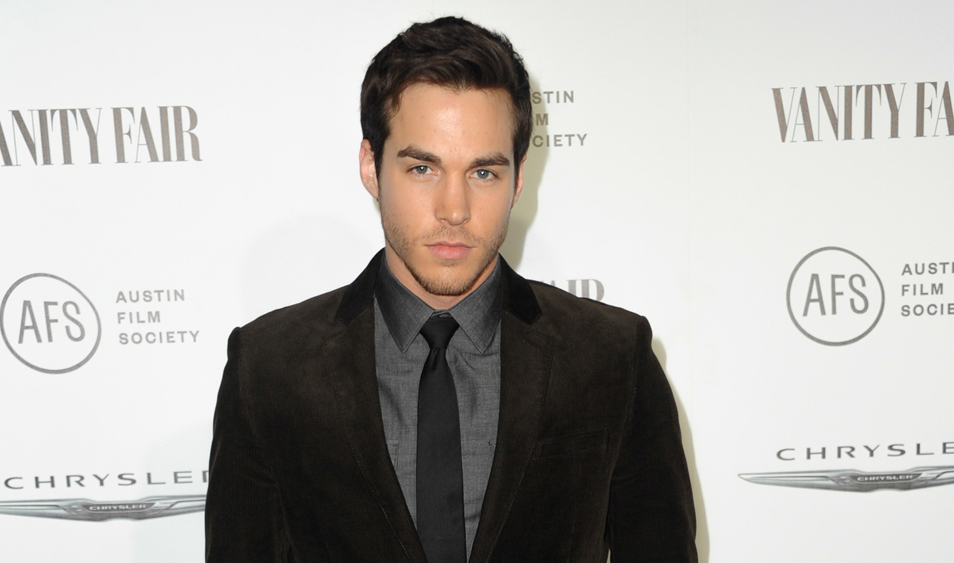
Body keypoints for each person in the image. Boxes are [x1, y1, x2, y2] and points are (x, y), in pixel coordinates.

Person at [205, 16, 697, 563]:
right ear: (371, 166)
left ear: (518, 178)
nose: (454, 210)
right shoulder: (268, 368)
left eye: (483, 173)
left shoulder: (612, 356)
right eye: (423, 168)